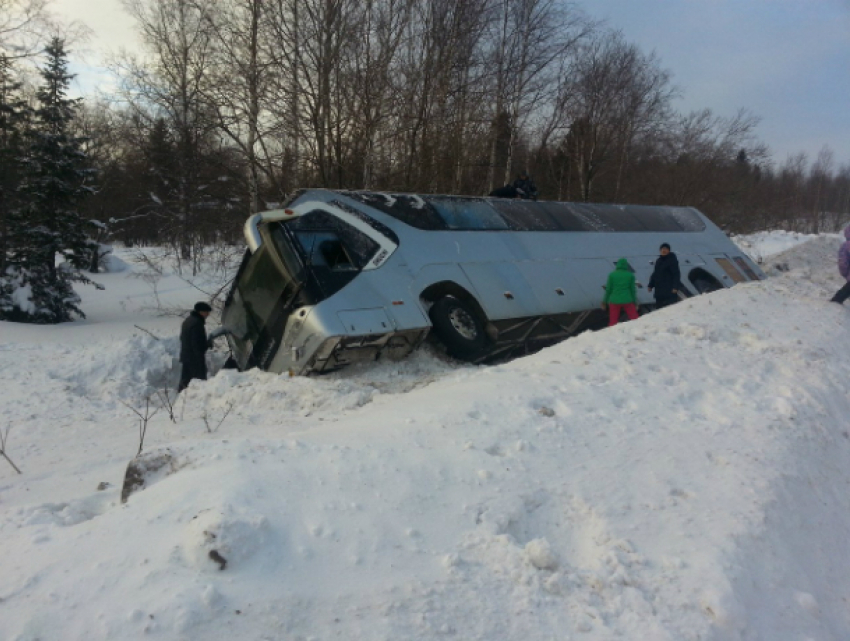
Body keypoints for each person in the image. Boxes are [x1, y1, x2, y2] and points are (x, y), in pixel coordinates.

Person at [178, 301, 211, 392]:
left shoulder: (188, 321)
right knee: (199, 381)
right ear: (200, 312)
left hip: (186, 356)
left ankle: (181, 397)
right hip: (194, 358)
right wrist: (200, 356)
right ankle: (198, 397)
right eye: (206, 312)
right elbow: (196, 342)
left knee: (186, 379)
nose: (208, 314)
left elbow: (183, 338)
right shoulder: (197, 323)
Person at [602, 258, 639, 326]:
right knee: (635, 319)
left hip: (614, 300)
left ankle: (611, 334)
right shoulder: (630, 275)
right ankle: (639, 331)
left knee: (613, 321)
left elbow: (608, 290)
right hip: (627, 300)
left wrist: (604, 301)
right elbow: (633, 290)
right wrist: (635, 302)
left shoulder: (612, 275)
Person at [648, 243, 681, 309]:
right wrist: (650, 285)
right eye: (662, 249)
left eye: (666, 249)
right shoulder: (658, 261)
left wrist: (675, 287)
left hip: (669, 290)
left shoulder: (672, 260)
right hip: (659, 291)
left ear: (669, 250)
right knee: (659, 310)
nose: (664, 250)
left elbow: (676, 274)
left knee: (670, 309)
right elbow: (655, 274)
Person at [830, 224, 850, 304]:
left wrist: (845, 274)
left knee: (844, 293)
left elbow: (842, 263)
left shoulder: (845, 246)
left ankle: (835, 302)